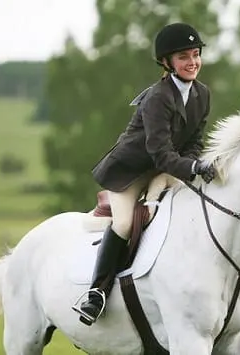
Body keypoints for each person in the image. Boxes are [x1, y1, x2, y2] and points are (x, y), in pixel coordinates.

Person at [77, 22, 217, 326]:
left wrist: (192, 163)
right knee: (125, 223)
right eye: (184, 57)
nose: (193, 62)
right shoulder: (157, 97)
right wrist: (193, 168)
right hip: (129, 172)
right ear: (166, 62)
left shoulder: (202, 94)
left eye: (196, 54)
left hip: (164, 169)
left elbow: (194, 141)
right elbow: (160, 152)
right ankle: (96, 294)